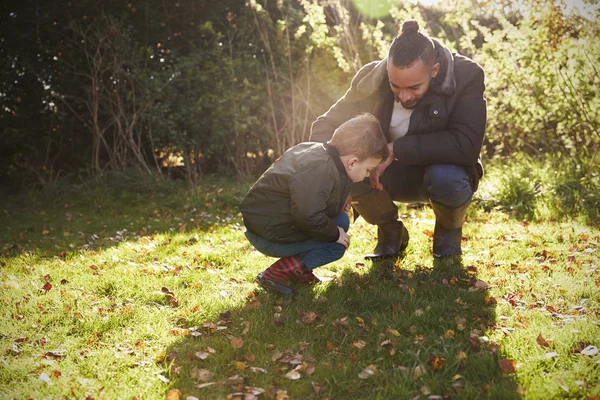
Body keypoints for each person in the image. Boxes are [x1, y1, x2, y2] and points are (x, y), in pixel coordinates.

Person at [310, 20, 486, 260]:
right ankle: (391, 233)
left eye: (414, 87)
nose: (403, 96)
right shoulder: (371, 77)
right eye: (395, 86)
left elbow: (466, 145)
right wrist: (335, 179)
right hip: (382, 176)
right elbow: (324, 125)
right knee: (347, 165)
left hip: (440, 173)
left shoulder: (467, 75)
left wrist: (396, 148)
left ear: (434, 71)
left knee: (447, 178)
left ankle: (447, 238)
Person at [240, 113, 389, 295]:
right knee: (336, 246)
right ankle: (275, 273)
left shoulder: (326, 156)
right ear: (353, 163)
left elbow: (311, 199)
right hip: (268, 234)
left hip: (274, 222)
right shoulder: (320, 169)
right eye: (368, 170)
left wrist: (339, 204)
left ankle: (300, 270)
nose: (367, 175)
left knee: (341, 220)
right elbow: (307, 215)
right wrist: (334, 235)